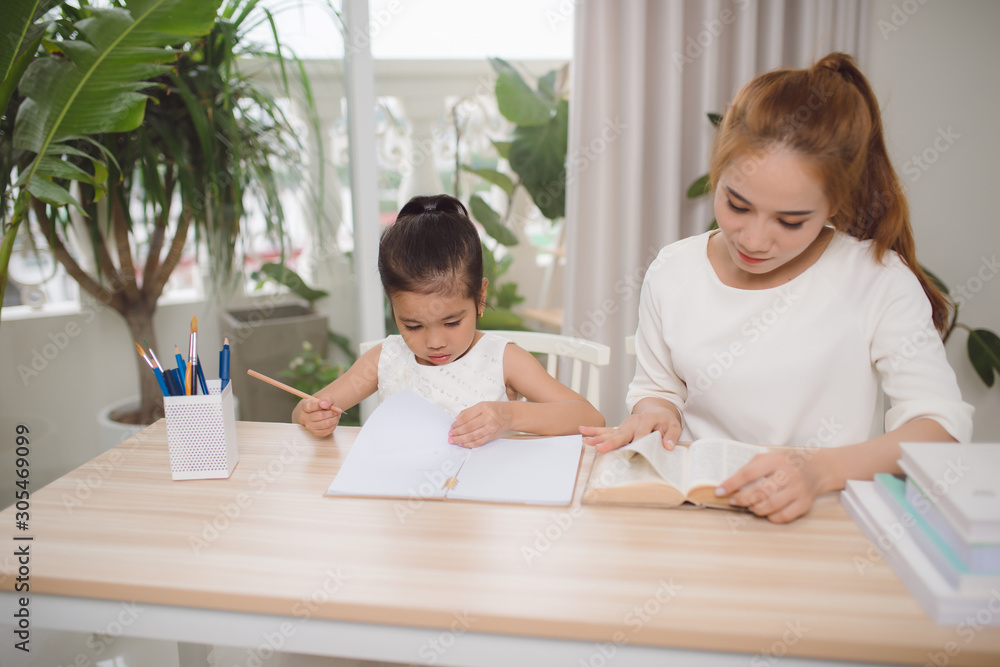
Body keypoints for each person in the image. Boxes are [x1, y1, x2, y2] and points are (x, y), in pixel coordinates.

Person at [580, 52, 974, 523]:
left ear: (835, 202)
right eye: (737, 205)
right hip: (701, 513)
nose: (753, 239)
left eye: (790, 221)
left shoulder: (876, 280)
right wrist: (656, 411)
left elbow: (941, 427)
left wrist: (819, 470)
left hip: (826, 520)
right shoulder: (674, 269)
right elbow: (658, 388)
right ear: (718, 169)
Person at [294, 194, 605, 446]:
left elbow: (589, 417)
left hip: (482, 505)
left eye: (452, 322)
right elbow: (307, 408)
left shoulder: (503, 359)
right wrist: (309, 415)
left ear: (480, 297)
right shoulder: (384, 360)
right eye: (412, 326)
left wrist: (509, 416)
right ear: (393, 309)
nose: (435, 342)